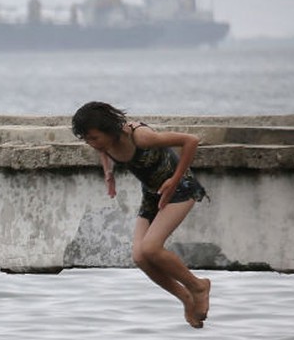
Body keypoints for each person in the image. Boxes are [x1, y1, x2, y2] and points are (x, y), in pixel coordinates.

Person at [71, 101, 212, 328]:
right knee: (139, 257)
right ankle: (185, 298)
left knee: (150, 248)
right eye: (86, 139)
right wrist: (108, 173)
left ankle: (198, 286)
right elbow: (103, 150)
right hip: (152, 194)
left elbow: (191, 141)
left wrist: (173, 180)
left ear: (110, 130)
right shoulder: (104, 144)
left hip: (180, 189)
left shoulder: (141, 137)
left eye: (94, 138)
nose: (91, 143)